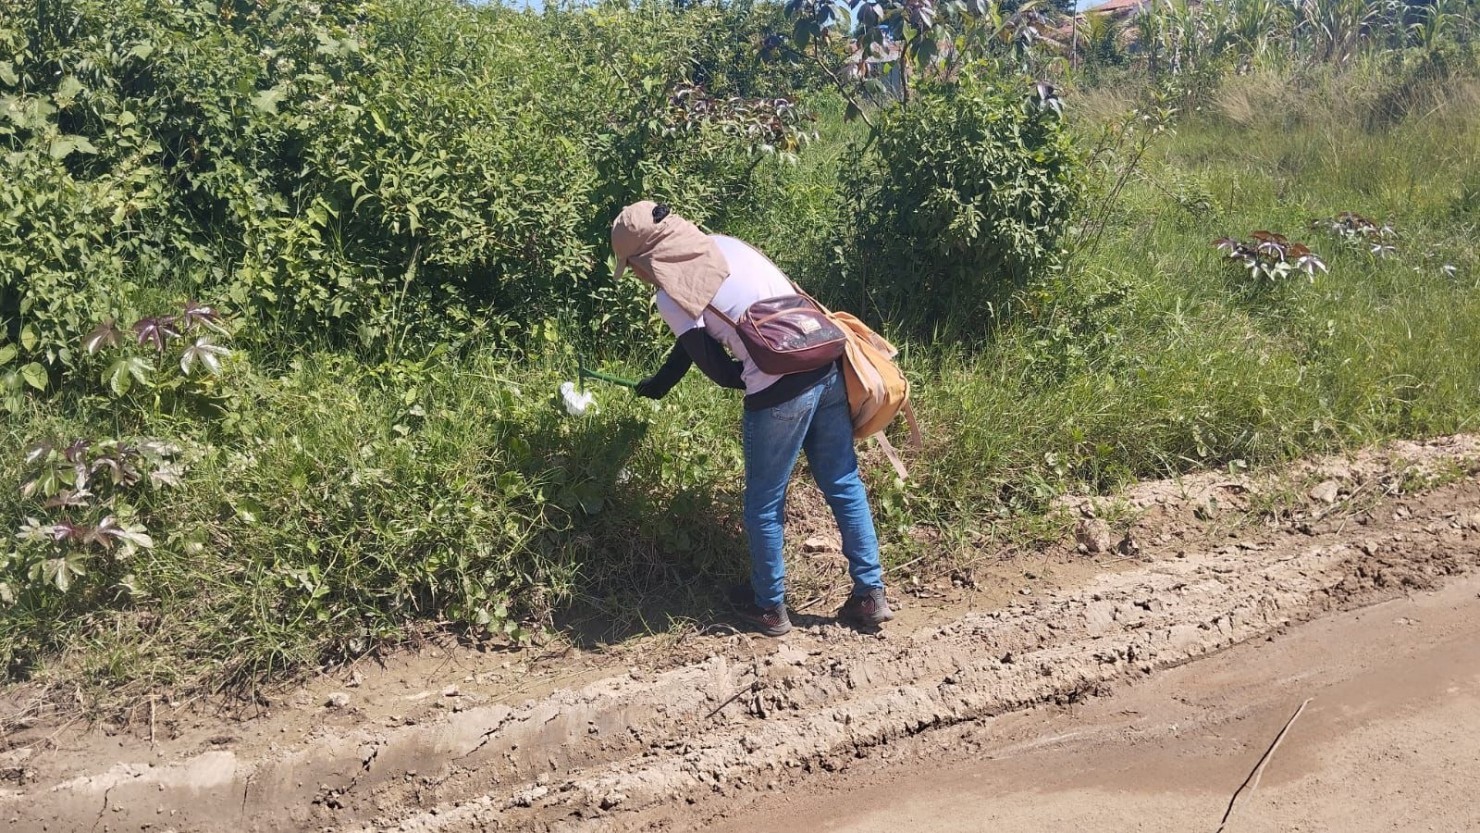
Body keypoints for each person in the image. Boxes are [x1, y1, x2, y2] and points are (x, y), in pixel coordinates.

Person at [610, 200, 893, 637]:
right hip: (827, 361)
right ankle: (870, 595)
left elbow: (721, 371)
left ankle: (770, 607)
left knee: (764, 501)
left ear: (646, 259)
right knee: (842, 481)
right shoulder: (727, 245)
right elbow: (703, 328)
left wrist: (766, 386)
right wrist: (663, 380)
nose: (638, 276)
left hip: (780, 386)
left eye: (632, 268)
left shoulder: (668, 295)